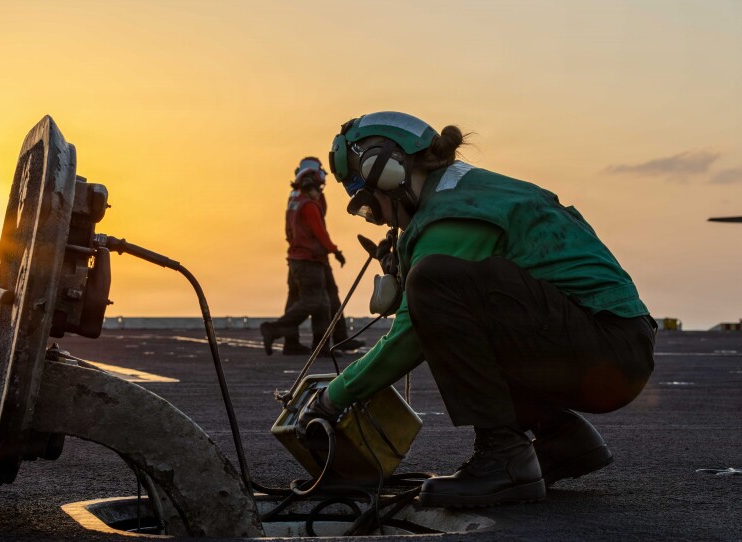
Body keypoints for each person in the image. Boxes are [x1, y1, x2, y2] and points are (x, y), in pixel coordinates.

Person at [296, 111, 656, 507]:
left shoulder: (454, 212)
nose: (378, 220)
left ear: (388, 172)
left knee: (433, 281)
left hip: (608, 352)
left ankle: (503, 457)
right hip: (608, 345)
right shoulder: (466, 191)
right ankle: (561, 439)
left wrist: (334, 397)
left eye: (369, 205)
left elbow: (413, 330)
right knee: (439, 291)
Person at [260, 160, 349, 356]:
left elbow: (289, 231)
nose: (320, 191)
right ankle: (273, 329)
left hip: (297, 259)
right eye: (318, 187)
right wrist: (335, 251)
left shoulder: (294, 203)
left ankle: (321, 347)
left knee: (323, 304)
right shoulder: (309, 206)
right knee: (312, 302)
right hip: (310, 261)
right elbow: (320, 233)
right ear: (310, 186)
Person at [281, 158, 366, 356]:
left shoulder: (294, 197)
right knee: (327, 297)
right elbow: (319, 228)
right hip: (313, 256)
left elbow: (289, 228)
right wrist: (334, 250)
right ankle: (335, 339)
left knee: (295, 297)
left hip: (298, 255)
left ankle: (291, 340)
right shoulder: (309, 199)